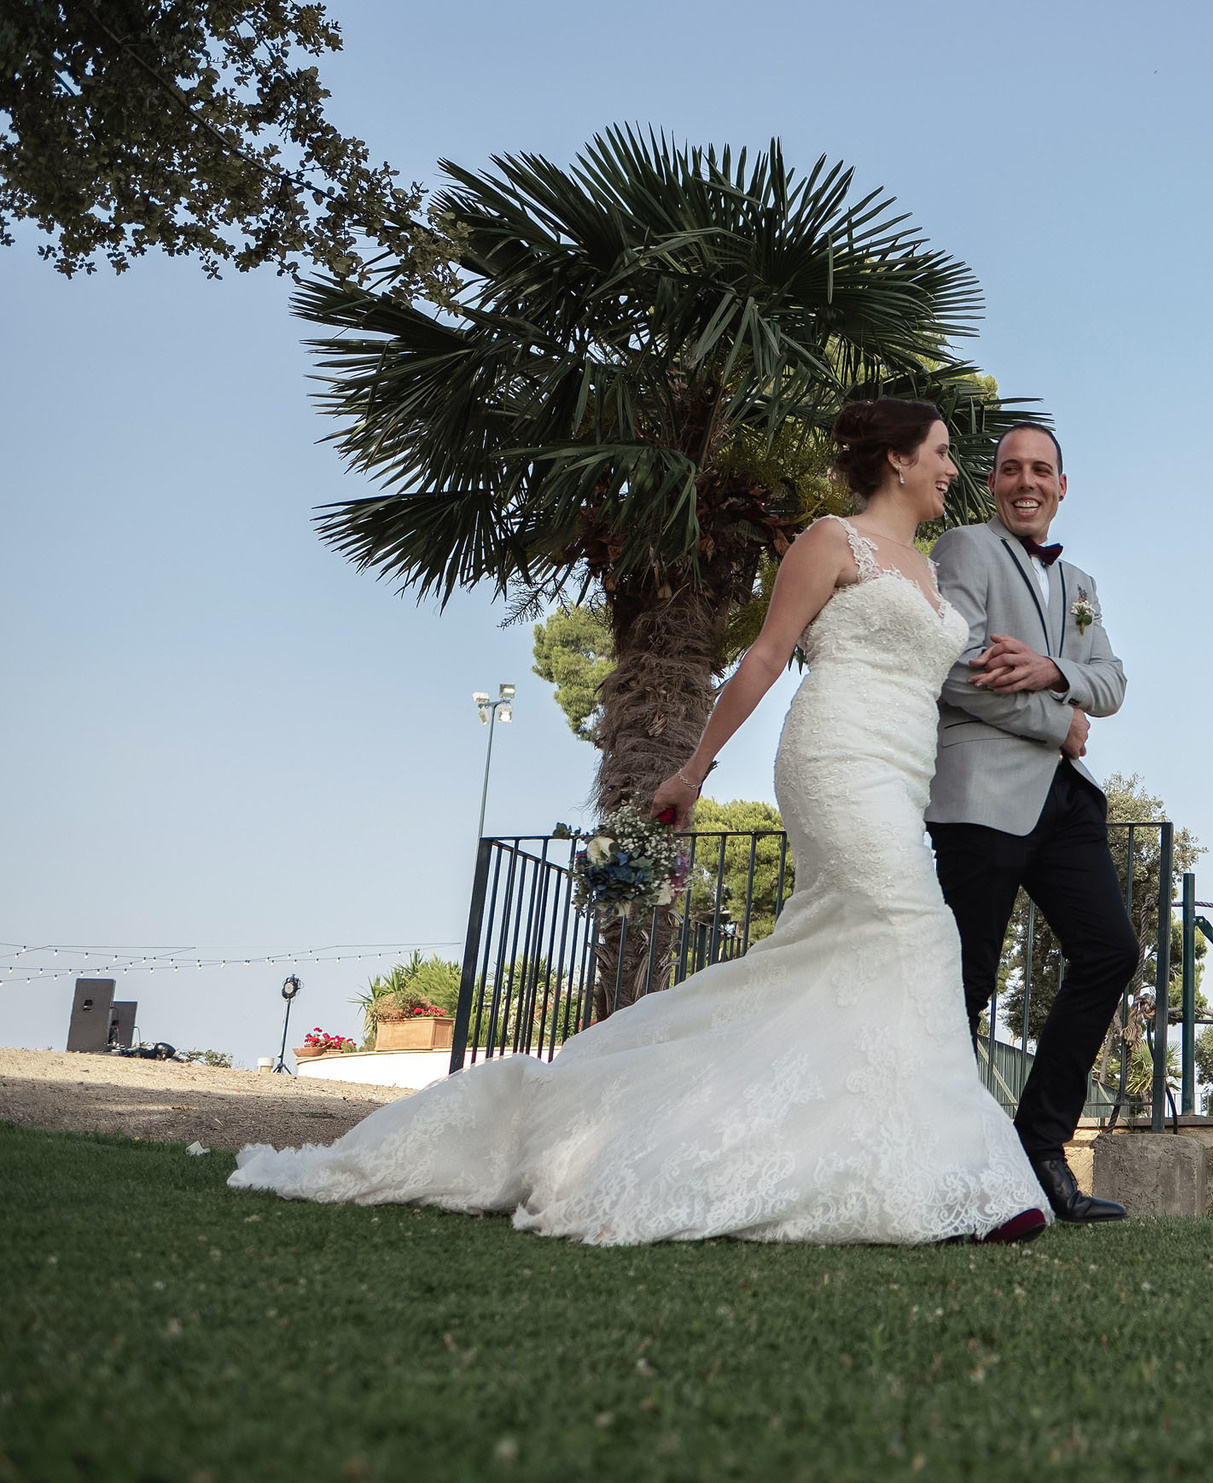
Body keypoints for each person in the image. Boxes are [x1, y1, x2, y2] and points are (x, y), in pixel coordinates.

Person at [230, 399, 1049, 1247]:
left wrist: (1054, 699)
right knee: (921, 933)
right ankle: (972, 1179)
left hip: (903, 772)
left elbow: (954, 681)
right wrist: (694, 769)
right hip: (837, 758)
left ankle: (894, 1162)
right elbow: (766, 655)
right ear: (898, 461)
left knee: (839, 956)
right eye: (945, 453)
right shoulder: (831, 542)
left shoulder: (929, 572)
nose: (955, 469)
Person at [926, 424, 1138, 1223]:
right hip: (980, 792)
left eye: (1040, 470)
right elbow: (958, 668)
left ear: (1062, 484)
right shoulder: (963, 549)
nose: (1026, 481)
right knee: (967, 983)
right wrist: (1061, 719)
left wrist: (1053, 671)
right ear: (992, 480)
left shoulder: (1078, 579)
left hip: (1065, 799)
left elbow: (1112, 683)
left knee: (1111, 949)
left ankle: (1039, 1146)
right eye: (1012, 468)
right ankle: (943, 1163)